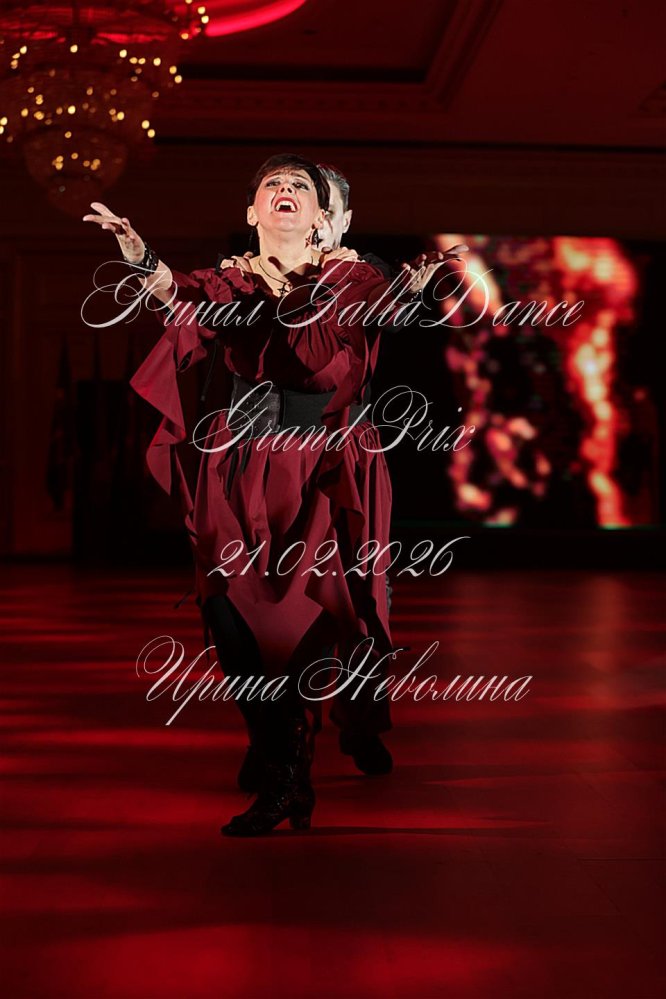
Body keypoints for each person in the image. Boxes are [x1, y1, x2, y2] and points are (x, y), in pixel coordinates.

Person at [83, 154, 454, 837]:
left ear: (322, 215)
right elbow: (176, 295)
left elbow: (386, 308)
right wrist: (138, 254)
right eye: (272, 185)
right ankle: (280, 751)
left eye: (299, 186)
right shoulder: (231, 281)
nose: (285, 191)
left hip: (328, 465)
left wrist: (410, 290)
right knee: (226, 611)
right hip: (242, 464)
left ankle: (337, 735)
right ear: (252, 211)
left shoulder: (351, 275)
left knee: (334, 615)